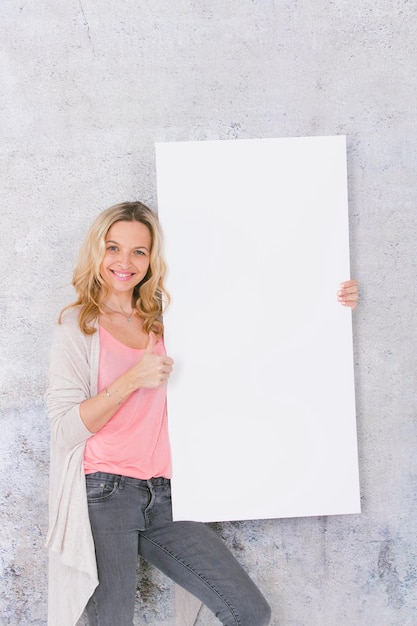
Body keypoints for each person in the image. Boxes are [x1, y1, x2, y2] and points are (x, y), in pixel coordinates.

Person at [45, 201, 358, 626]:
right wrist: (130, 380)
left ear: (152, 259)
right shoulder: (77, 328)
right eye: (113, 247)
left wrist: (329, 299)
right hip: (103, 494)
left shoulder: (166, 321)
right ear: (96, 252)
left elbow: (257, 317)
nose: (125, 261)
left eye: (139, 251)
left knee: (248, 611)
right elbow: (64, 429)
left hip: (167, 495)